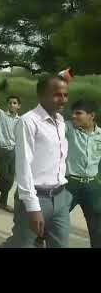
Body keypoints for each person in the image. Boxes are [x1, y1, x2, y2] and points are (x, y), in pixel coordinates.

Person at [0, 75, 70, 248]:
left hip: (60, 198)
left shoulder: (60, 122)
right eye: (57, 95)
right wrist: (32, 206)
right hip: (36, 197)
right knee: (22, 244)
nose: (63, 100)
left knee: (61, 245)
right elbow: (23, 166)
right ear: (41, 96)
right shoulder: (29, 122)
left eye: (65, 95)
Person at [65, 99, 101, 248]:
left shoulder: (100, 135)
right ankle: (39, 240)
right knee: (54, 217)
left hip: (92, 185)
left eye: (78, 113)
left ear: (91, 116)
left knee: (97, 226)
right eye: (72, 113)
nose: (73, 116)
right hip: (70, 184)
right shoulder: (68, 128)